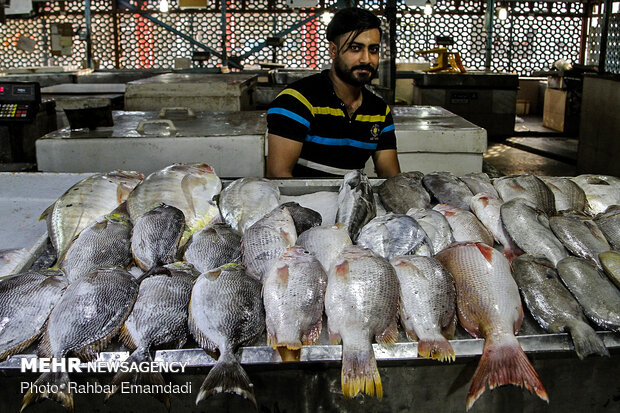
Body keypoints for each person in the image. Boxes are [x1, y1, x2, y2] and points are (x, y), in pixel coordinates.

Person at [266, 7, 401, 178]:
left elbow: (391, 178)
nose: (366, 59)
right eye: (355, 48)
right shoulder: (296, 101)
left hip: (351, 200)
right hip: (301, 202)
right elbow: (279, 177)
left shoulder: (379, 111)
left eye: (373, 49)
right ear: (333, 51)